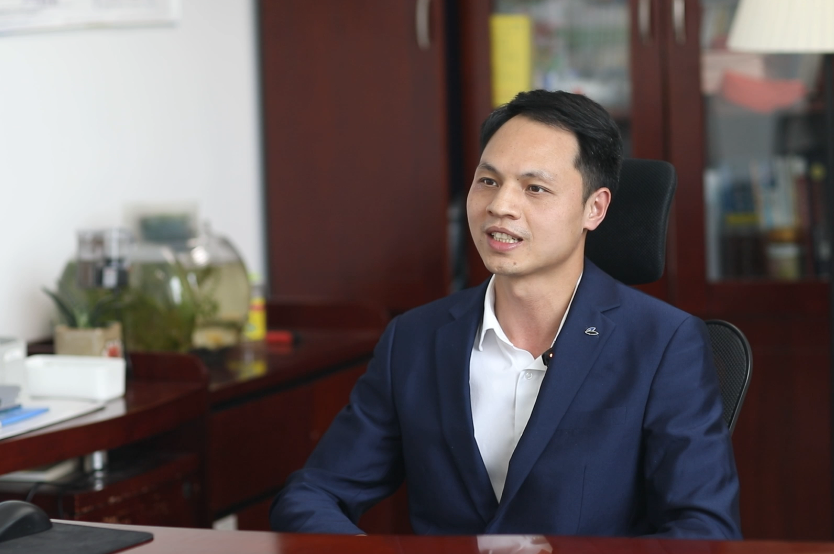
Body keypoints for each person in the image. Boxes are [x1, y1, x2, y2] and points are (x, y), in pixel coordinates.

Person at [269, 90, 741, 538]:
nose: (500, 206)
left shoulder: (663, 342)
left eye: (535, 188)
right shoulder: (414, 339)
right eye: (488, 181)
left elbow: (704, 528)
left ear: (594, 209)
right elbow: (312, 494)